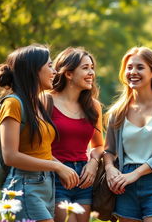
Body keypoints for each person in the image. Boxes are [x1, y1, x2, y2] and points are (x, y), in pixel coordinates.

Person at [0, 44, 79, 222]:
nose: (55, 71)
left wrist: (62, 168)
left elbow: (41, 150)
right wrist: (57, 167)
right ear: (33, 70)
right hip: (24, 185)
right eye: (49, 66)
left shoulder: (38, 105)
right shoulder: (13, 104)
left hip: (46, 184)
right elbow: (10, 156)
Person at [104, 46, 152, 222]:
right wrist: (110, 169)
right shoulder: (119, 111)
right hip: (124, 184)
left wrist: (137, 173)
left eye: (140, 67)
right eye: (129, 67)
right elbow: (108, 151)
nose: (133, 72)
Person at [47, 47, 104, 222]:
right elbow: (34, 145)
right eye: (85, 68)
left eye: (92, 67)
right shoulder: (46, 101)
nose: (91, 73)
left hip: (84, 179)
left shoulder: (93, 106)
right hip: (55, 175)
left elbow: (99, 144)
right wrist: (59, 167)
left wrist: (93, 163)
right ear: (69, 74)